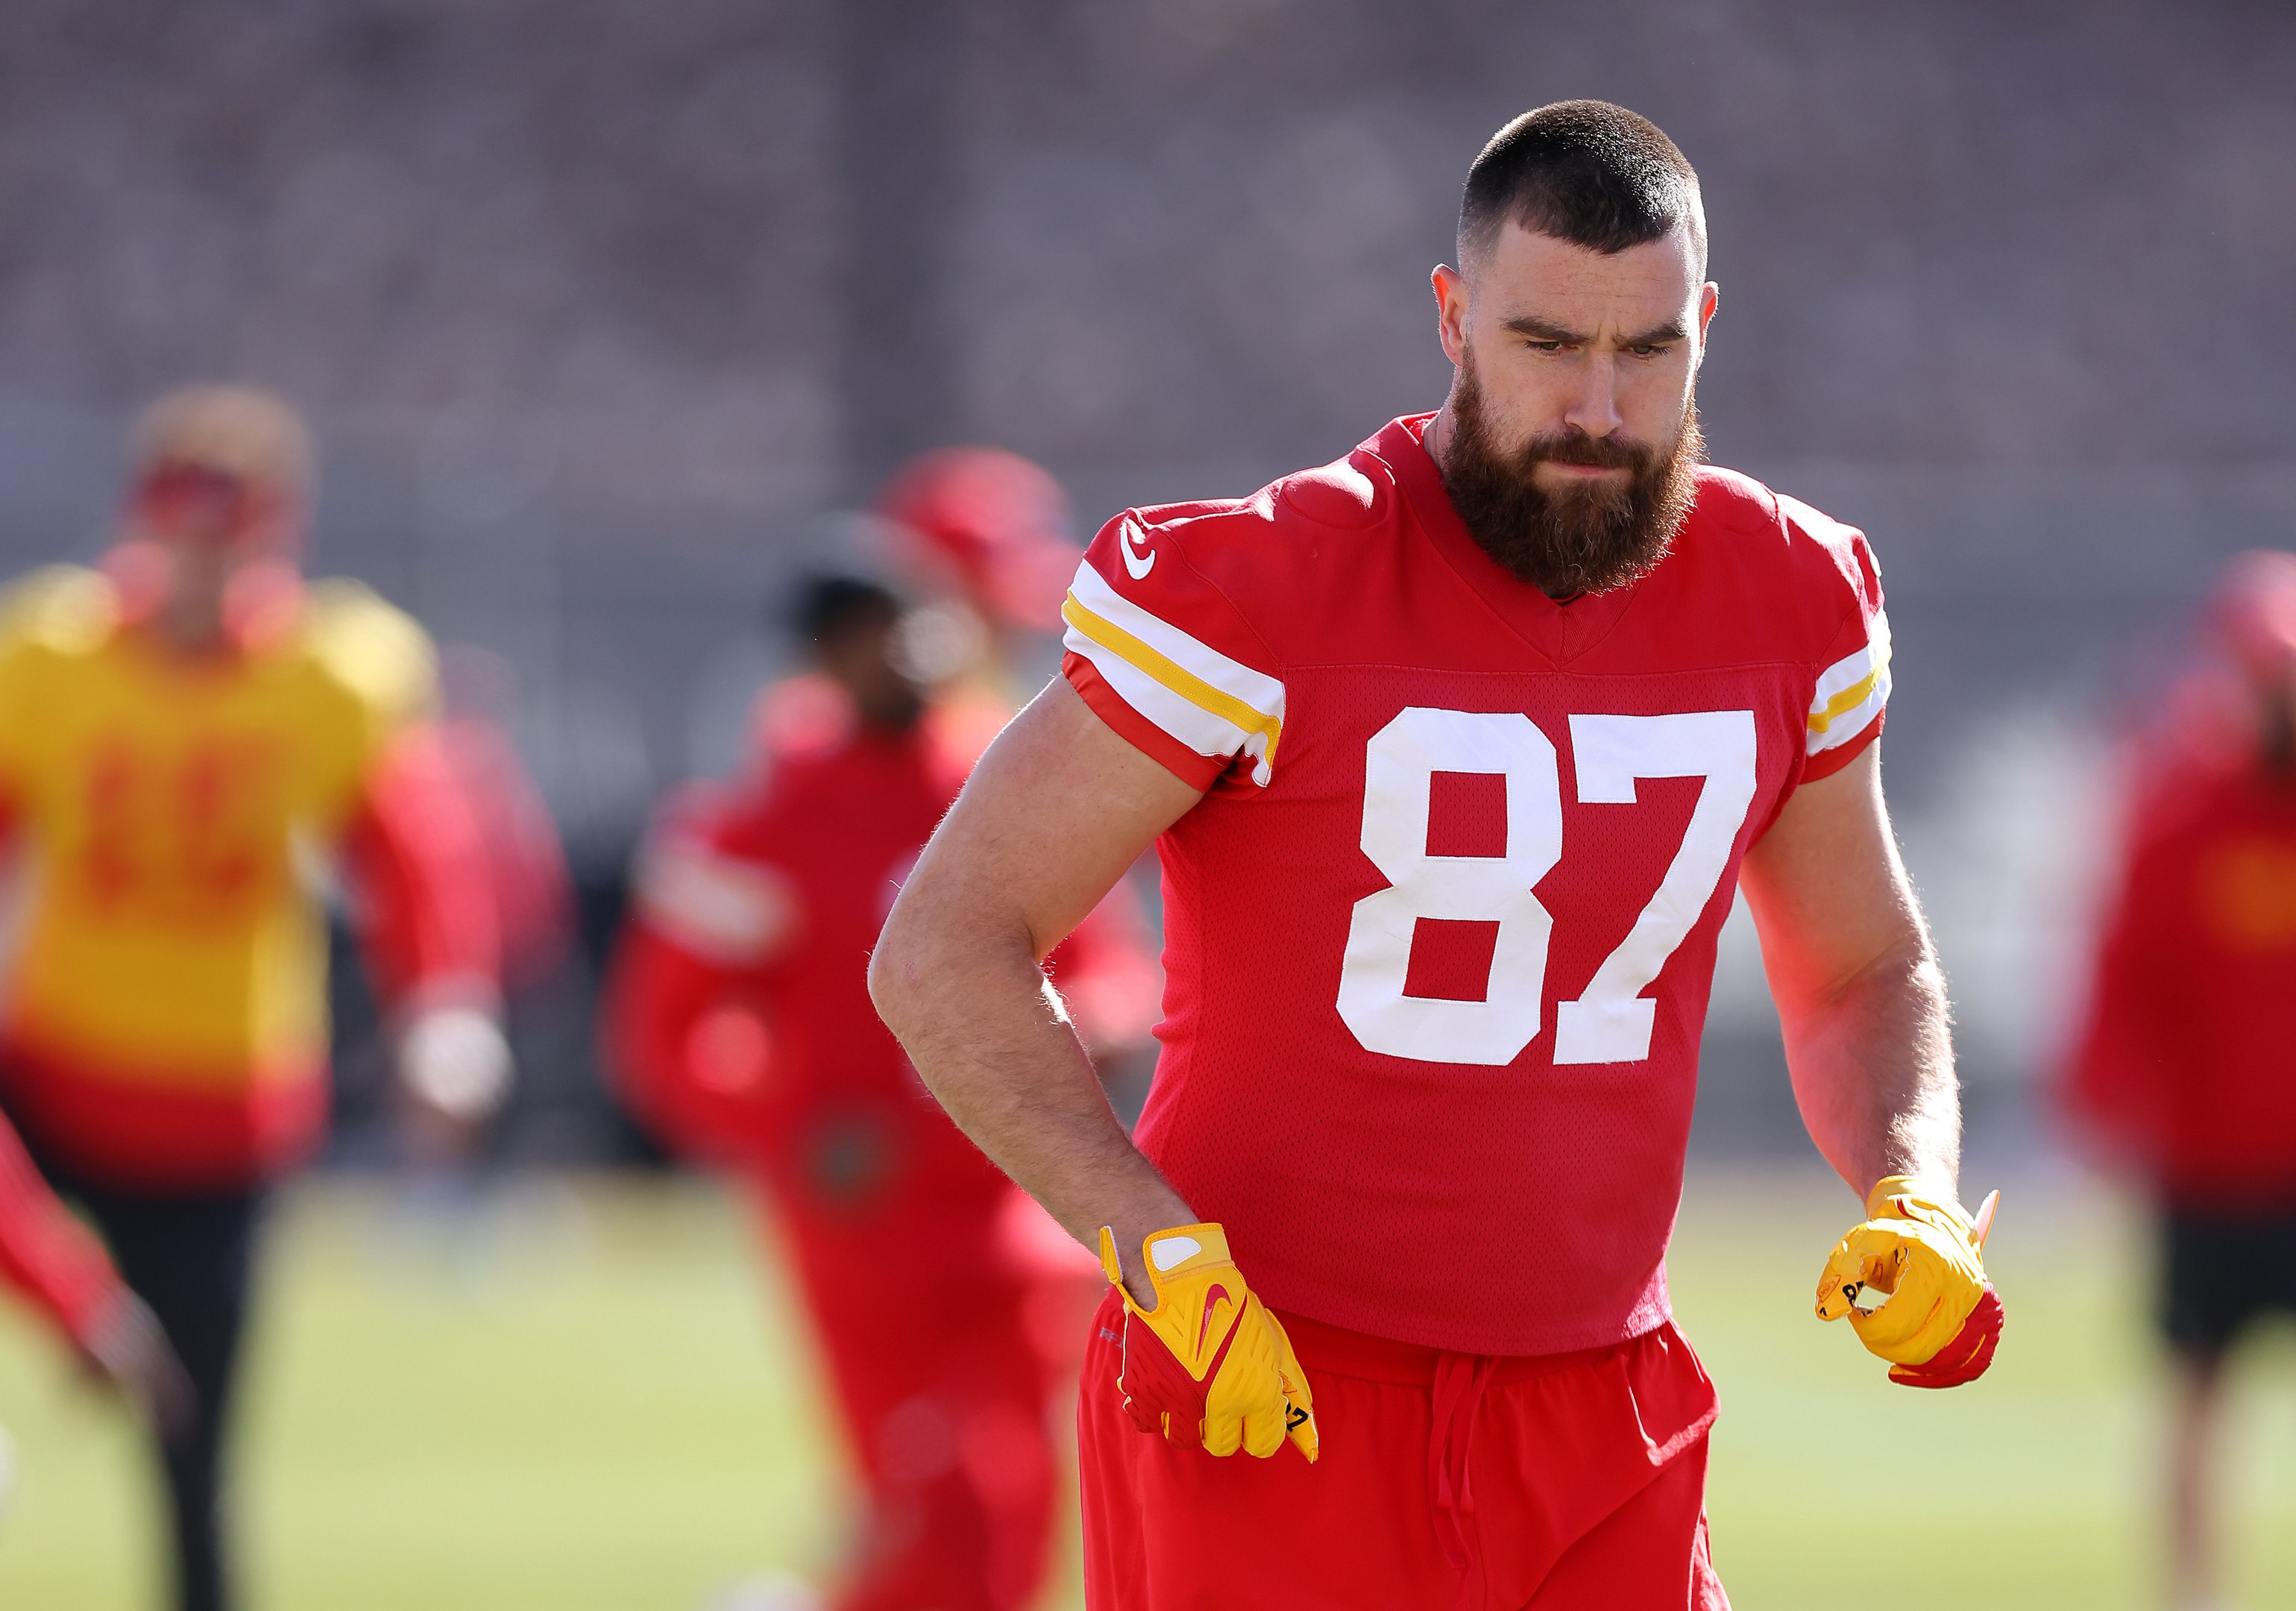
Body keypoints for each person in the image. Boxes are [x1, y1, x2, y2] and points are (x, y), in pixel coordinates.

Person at [870, 100, 2004, 1610]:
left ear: (1705, 327)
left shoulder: (1790, 593)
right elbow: (944, 940)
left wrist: (1909, 1184)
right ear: (1454, 319)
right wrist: (1150, 1248)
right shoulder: (1262, 583)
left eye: (1648, 351)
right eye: (1546, 345)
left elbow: (1864, 965)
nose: (1599, 407)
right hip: (1266, 1381)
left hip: (1609, 1406)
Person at [606, 461, 1156, 1611]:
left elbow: (1111, 970)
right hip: (871, 1223)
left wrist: (1085, 1029)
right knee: (926, 1493)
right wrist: (796, 1130)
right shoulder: (774, 813)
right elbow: (666, 1037)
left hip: (1019, 1205)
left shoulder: (1008, 775)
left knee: (1010, 1497)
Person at [0, 386, 510, 1611]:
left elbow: (410, 850)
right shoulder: (49, 659)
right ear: (142, 524)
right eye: (182, 531)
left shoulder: (331, 673)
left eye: (228, 537)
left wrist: (445, 1005)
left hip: (221, 1097)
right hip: (56, 1067)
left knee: (193, 1453)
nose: (199, 565)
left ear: (274, 539)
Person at [2065, 550, 2296, 1611]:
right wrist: (2109, 1103)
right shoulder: (2181, 816)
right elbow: (2126, 975)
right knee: (2196, 1394)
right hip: (2209, 1169)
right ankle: (2195, 1600)